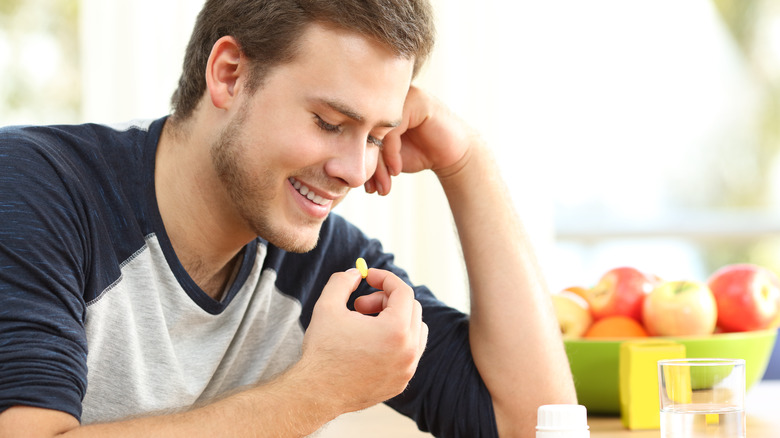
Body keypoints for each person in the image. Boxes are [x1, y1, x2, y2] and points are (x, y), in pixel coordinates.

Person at [0, 0, 577, 436]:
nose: (356, 170)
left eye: (378, 136)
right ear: (229, 74)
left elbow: (538, 424)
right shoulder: (32, 189)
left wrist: (467, 161)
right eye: (329, 122)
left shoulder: (315, 262)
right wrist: (316, 391)